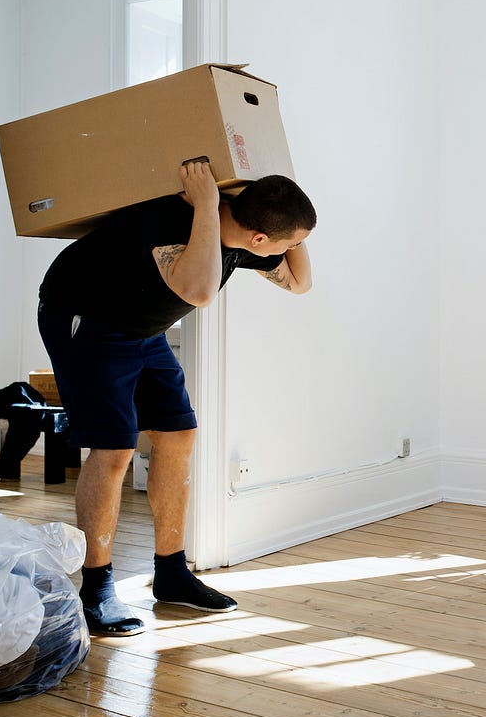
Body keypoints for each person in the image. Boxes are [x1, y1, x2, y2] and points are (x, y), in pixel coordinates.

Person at [37, 159, 315, 636]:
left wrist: (294, 227)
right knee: (114, 447)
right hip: (87, 319)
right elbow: (200, 291)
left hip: (142, 330)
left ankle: (171, 573)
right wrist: (207, 203)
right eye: (288, 242)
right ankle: (96, 587)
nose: (293, 251)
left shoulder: (240, 237)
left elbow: (299, 282)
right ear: (259, 239)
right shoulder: (171, 220)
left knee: (178, 433)